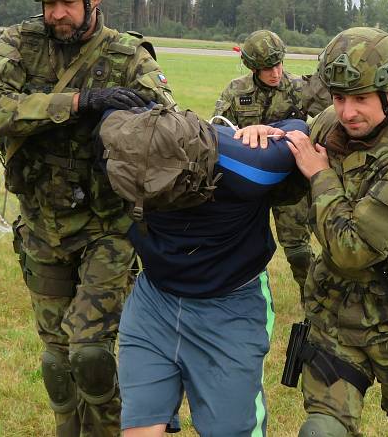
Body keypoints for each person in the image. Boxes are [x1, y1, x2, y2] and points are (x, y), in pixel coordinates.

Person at [0, 0, 176, 437]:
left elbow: (169, 130)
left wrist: (127, 123)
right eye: (47, 4)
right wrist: (81, 103)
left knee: (88, 350)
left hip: (107, 226)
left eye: (66, 2)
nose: (56, 14)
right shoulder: (19, 45)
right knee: (57, 359)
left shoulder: (128, 57)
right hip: (42, 226)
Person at [280, 27, 388, 437]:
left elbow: (353, 249)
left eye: (360, 99)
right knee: (320, 431)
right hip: (334, 315)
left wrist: (320, 175)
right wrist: (267, 135)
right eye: (339, 98)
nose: (347, 112)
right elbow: (294, 147)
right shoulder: (330, 125)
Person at [114, 115, 309, 436]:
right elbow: (111, 112)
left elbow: (294, 134)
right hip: (154, 302)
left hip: (229, 308)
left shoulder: (245, 169)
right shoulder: (124, 155)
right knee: (139, 427)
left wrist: (271, 130)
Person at [214, 30, 314, 296]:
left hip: (288, 183)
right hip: (247, 181)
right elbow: (217, 130)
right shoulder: (237, 91)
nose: (276, 72)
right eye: (268, 68)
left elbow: (321, 128)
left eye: (279, 64)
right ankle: (232, 296)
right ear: (253, 67)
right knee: (237, 246)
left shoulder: (300, 89)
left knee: (298, 248)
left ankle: (313, 302)